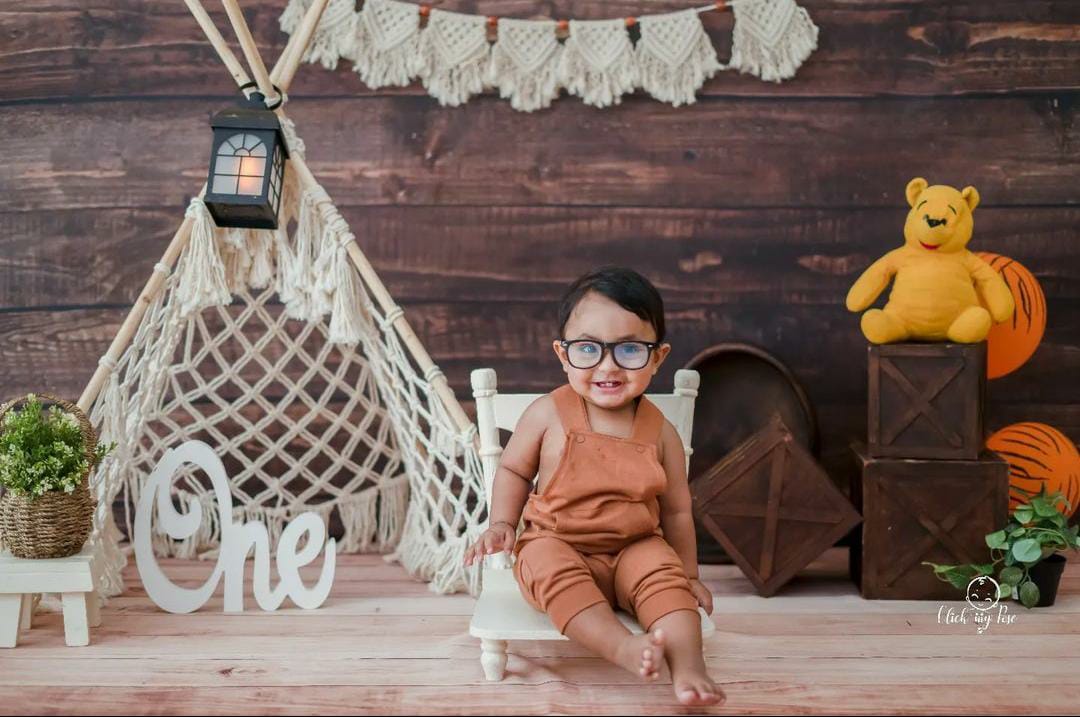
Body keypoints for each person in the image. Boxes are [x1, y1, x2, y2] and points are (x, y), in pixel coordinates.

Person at [464, 265, 724, 707]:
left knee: (667, 583)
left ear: (658, 357)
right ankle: (620, 646)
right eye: (588, 348)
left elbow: (678, 511)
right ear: (563, 354)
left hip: (635, 546)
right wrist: (503, 523)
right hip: (556, 541)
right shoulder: (546, 413)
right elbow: (513, 471)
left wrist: (689, 575)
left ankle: (689, 668)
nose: (608, 366)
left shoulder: (661, 432)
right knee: (548, 565)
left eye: (629, 350)